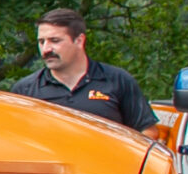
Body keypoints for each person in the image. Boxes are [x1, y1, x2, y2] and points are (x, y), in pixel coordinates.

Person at [12, 8, 157, 131]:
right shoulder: (25, 91)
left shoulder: (117, 80)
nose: (46, 49)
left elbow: (148, 132)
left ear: (79, 40)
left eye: (55, 41)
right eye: (41, 42)